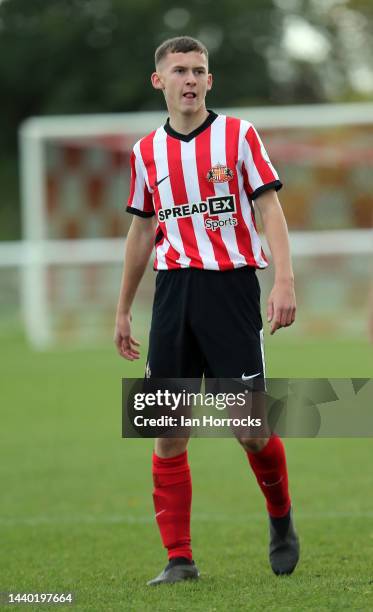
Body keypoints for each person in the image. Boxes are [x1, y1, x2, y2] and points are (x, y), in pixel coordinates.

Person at [114, 35, 300, 585]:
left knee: (250, 428)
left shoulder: (239, 137)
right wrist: (122, 309)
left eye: (198, 70)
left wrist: (283, 279)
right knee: (167, 429)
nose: (189, 79)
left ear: (210, 80)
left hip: (231, 290)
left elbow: (271, 209)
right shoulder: (147, 152)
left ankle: (281, 519)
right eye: (179, 71)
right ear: (160, 81)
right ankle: (179, 559)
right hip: (172, 294)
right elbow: (141, 230)